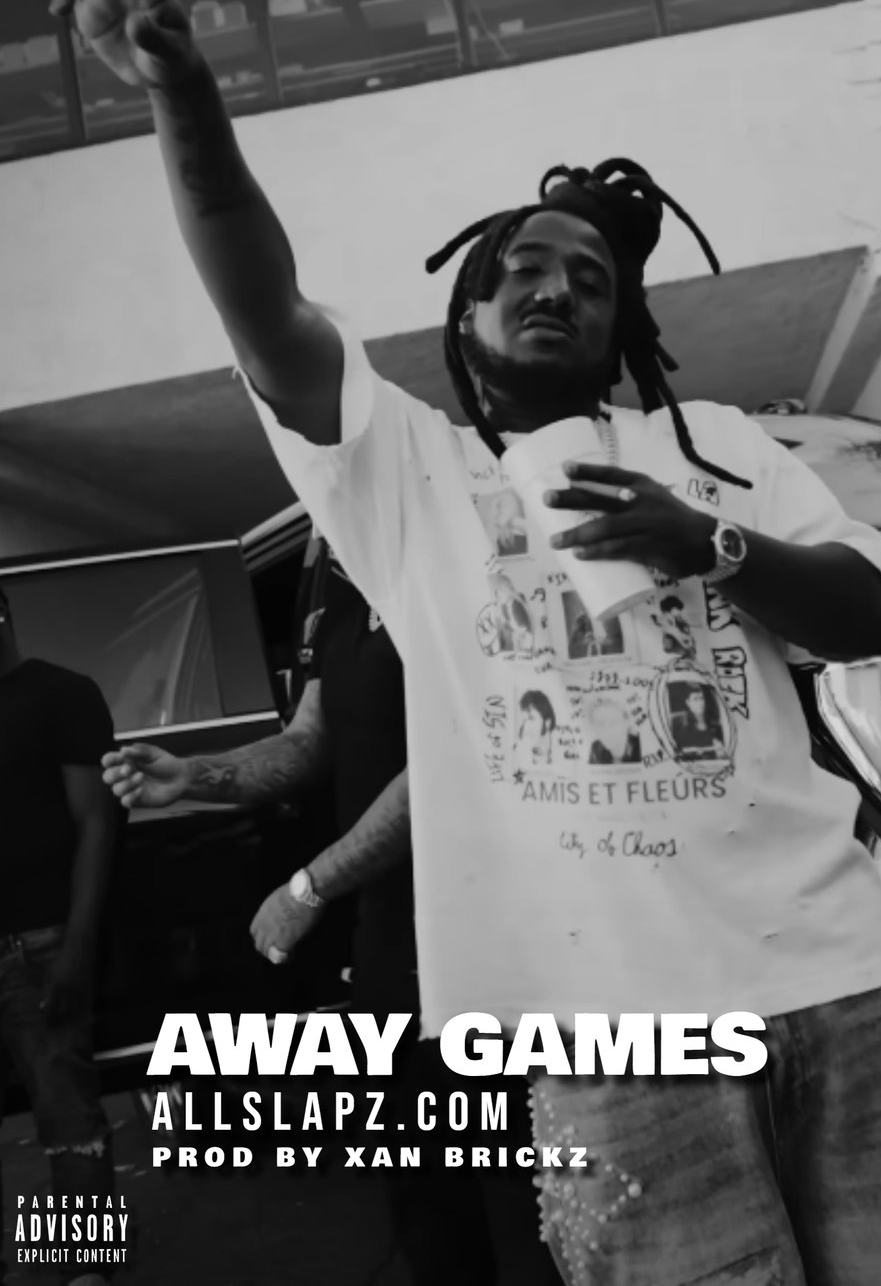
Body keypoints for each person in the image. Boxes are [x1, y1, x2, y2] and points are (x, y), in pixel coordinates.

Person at [21, 0, 881, 1286]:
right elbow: (265, 306)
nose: (555, 289)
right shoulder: (410, 476)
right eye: (522, 271)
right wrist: (183, 100)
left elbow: (875, 613)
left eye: (590, 279)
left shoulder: (718, 446)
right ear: (468, 319)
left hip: (845, 978)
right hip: (606, 1042)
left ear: (622, 329)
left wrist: (708, 544)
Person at [100, 547, 558, 1286]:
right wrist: (197, 777)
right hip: (392, 934)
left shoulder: (456, 567)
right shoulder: (343, 589)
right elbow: (311, 737)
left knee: (538, 1183)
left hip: (499, 923)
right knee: (425, 1185)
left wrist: (310, 887)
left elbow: (456, 761)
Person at [0, 583, 121, 1286]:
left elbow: (97, 825)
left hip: (38, 944)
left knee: (67, 1117)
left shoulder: (61, 695)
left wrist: (77, 948)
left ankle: (84, 1272)